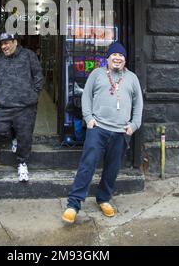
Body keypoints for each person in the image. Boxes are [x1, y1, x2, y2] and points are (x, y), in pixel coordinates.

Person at [62, 42, 143, 223]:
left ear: (125, 59)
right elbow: (86, 96)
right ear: (107, 58)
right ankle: (73, 205)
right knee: (87, 165)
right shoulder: (96, 74)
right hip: (98, 129)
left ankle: (104, 199)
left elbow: (139, 103)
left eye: (121, 56)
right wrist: (89, 118)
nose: (117, 58)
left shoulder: (132, 78)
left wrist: (134, 125)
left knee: (112, 168)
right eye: (114, 55)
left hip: (121, 132)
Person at [0, 33, 43, 182]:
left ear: (15, 42)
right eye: (1, 44)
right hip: (4, 105)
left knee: (25, 136)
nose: (3, 47)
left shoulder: (28, 55)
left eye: (6, 43)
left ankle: (22, 163)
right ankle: (13, 137)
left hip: (26, 106)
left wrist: (33, 94)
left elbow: (38, 75)